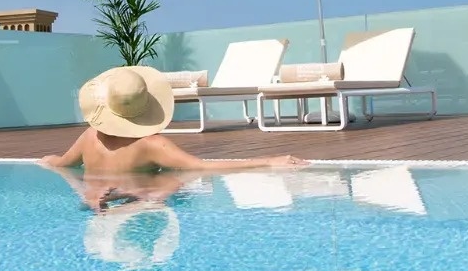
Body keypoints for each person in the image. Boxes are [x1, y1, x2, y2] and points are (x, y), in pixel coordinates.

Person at [38, 64, 308, 209]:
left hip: (91, 193)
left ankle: (101, 198)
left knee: (101, 186)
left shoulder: (90, 136)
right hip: (139, 195)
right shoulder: (150, 144)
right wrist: (269, 160)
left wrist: (46, 160)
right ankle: (142, 199)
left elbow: (63, 164)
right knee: (172, 182)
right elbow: (202, 167)